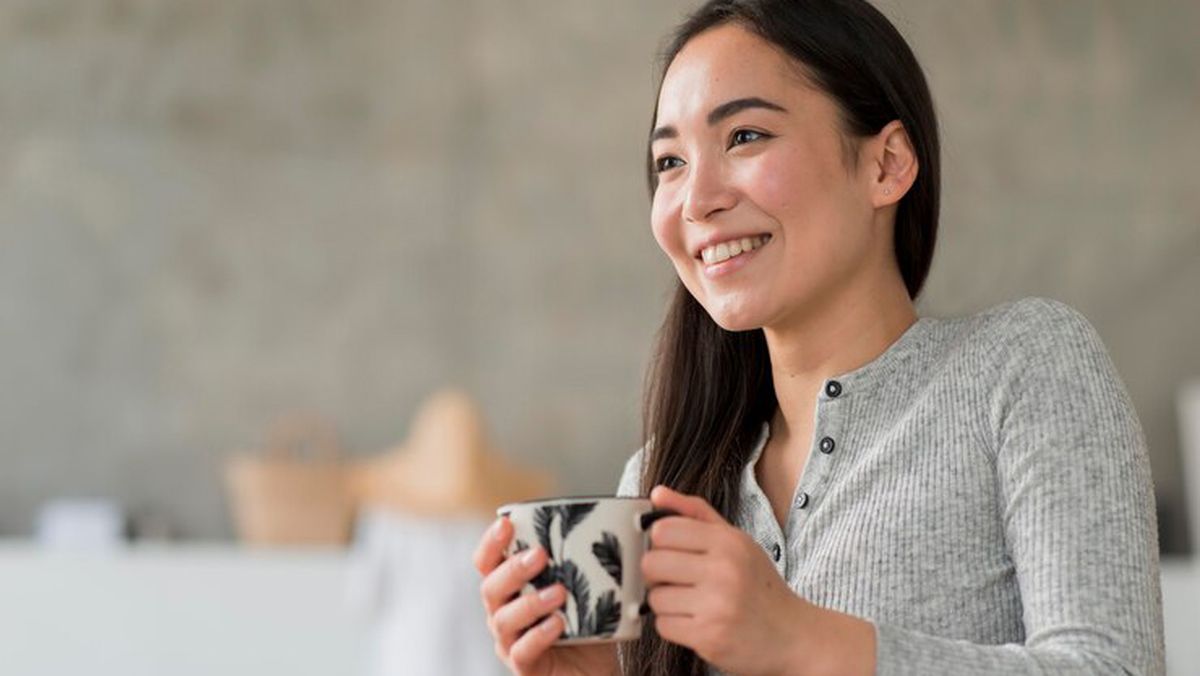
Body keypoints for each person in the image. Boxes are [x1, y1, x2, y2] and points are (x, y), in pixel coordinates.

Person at [473, 0, 1165, 674]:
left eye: (744, 136)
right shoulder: (657, 481)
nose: (696, 198)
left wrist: (803, 642)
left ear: (886, 163)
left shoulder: (1022, 366)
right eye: (669, 163)